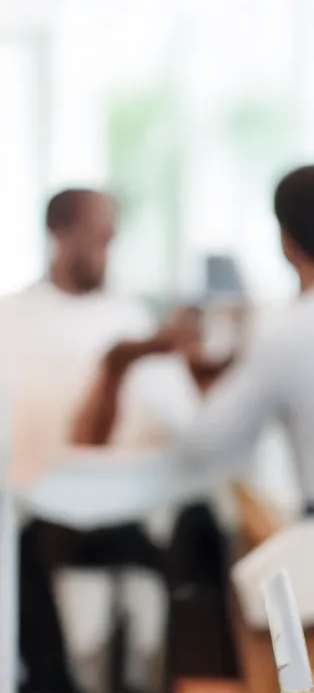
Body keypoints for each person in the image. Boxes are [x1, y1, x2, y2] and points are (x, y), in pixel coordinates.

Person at [72, 165, 314, 516]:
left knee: (236, 516)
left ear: (286, 241)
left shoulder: (287, 332)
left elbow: (208, 445)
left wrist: (161, 366)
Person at [0, 188, 204, 693]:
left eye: (113, 236)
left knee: (147, 635)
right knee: (73, 647)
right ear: (59, 233)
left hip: (129, 516)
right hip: (44, 522)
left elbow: (187, 424)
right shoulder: (13, 321)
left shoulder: (131, 318)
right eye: (98, 234)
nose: (108, 247)